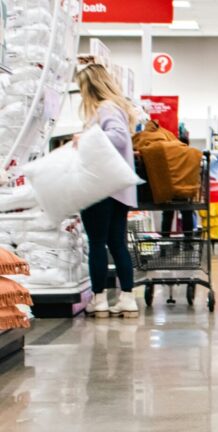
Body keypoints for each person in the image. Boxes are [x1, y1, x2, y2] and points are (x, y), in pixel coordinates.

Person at [76, 64, 140, 319]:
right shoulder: (117, 108)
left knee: (98, 243)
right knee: (117, 244)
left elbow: (118, 137)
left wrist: (85, 139)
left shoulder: (104, 109)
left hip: (100, 187)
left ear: (89, 87)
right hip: (118, 189)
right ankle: (127, 299)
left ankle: (99, 299)